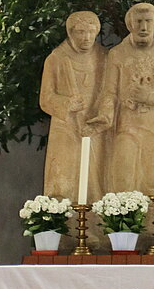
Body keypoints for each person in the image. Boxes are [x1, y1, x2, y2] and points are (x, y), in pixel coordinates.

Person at [93, 2, 154, 195]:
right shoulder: (118, 54)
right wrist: (105, 115)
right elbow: (109, 91)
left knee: (152, 179)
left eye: (148, 21)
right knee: (123, 175)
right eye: (139, 21)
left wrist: (148, 96)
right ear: (130, 24)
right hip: (127, 125)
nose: (143, 27)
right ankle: (122, 213)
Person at [40, 10, 107, 201]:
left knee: (94, 178)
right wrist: (66, 103)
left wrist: (101, 116)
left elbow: (110, 92)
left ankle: (94, 218)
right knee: (63, 175)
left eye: (91, 32)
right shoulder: (57, 59)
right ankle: (61, 216)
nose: (86, 37)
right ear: (71, 32)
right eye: (80, 32)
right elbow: (45, 98)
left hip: (94, 126)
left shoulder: (104, 57)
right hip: (65, 128)